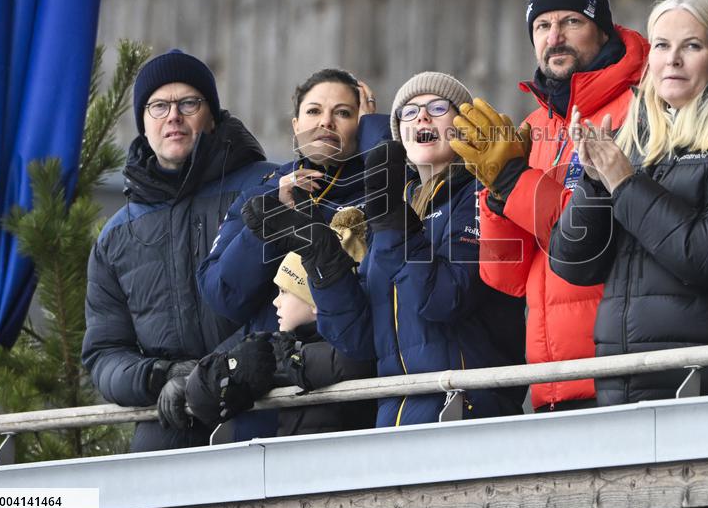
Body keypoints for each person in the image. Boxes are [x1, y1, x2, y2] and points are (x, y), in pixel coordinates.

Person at [546, 0, 708, 405]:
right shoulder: (636, 146)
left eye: (692, 46)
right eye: (662, 45)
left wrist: (625, 184)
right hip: (625, 387)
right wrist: (594, 181)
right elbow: (572, 265)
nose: (673, 59)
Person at [445, 0, 650, 412]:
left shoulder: (638, 108)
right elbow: (506, 276)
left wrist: (514, 180)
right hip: (547, 382)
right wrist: (495, 195)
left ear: (601, 28)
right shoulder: (535, 124)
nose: (554, 37)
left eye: (571, 22)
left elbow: (591, 238)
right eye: (542, 25)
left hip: (615, 374)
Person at [264, 72, 526, 426]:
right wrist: (321, 256)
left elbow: (444, 298)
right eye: (409, 111)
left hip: (465, 411)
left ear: (464, 125)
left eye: (437, 107)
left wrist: (395, 225)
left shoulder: (480, 196)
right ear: (399, 134)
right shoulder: (394, 205)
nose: (422, 117)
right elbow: (356, 339)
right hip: (394, 416)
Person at [82, 49, 275, 452]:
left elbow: (292, 303)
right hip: (168, 430)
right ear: (143, 124)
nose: (173, 116)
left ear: (211, 116)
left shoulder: (267, 190)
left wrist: (212, 371)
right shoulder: (117, 237)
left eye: (188, 102)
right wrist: (161, 376)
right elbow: (104, 353)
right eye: (158, 106)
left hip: (267, 413)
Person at [197, 67, 389, 333]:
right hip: (274, 363)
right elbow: (224, 297)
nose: (326, 122)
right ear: (296, 125)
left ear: (362, 125)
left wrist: (376, 136)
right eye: (313, 111)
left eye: (343, 112)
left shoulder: (385, 189)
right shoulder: (262, 192)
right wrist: (273, 221)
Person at [185, 208, 376, 435]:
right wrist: (231, 369)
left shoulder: (353, 348)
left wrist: (288, 361)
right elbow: (201, 394)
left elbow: (350, 364)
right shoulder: (281, 342)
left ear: (316, 299)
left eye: (284, 291)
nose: (276, 302)